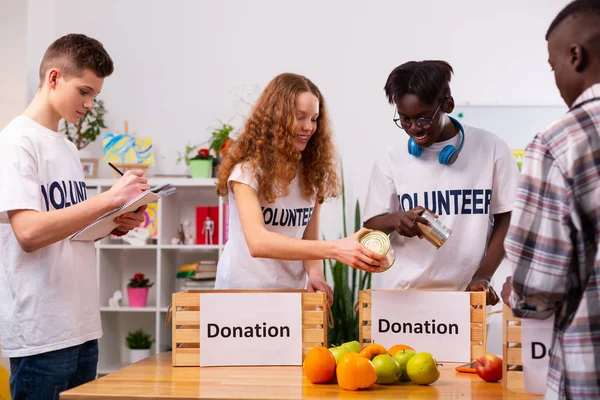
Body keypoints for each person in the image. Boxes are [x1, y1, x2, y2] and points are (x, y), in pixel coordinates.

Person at [0, 33, 150, 399]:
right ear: (54, 78)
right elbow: (30, 233)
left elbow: (70, 228)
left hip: (82, 326)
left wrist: (115, 221)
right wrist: (108, 199)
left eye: (94, 96)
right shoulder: (16, 142)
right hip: (41, 335)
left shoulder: (66, 148)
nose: (89, 104)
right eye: (84, 92)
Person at [214, 73, 385, 304]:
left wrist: (315, 275)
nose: (308, 127)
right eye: (300, 117)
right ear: (276, 117)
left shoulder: (311, 172)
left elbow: (309, 236)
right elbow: (258, 243)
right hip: (242, 294)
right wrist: (336, 249)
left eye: (314, 119)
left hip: (291, 295)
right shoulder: (247, 172)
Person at [501, 0, 600, 397]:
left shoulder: (561, 143)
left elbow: (538, 290)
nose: (556, 77)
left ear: (576, 56)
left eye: (553, 64)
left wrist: (516, 292)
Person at [362, 60, 520, 305]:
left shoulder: (492, 148)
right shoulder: (391, 157)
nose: (414, 128)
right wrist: (396, 219)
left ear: (448, 105)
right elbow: (372, 223)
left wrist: (483, 276)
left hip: (467, 297)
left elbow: (507, 217)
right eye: (405, 120)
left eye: (423, 119)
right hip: (403, 297)